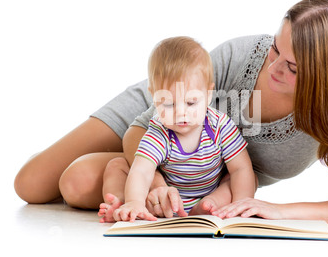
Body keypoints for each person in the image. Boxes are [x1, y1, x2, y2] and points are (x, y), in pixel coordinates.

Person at [14, 0, 328, 224]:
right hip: (156, 116)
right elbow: (144, 125)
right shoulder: (242, 57)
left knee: (79, 185)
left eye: (293, 67)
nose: (274, 68)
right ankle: (81, 160)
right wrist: (156, 183)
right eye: (275, 50)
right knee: (30, 185)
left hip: (206, 179)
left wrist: (284, 211)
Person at [97, 36, 255, 222]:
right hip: (166, 202)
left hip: (211, 193)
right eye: (169, 104)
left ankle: (209, 205)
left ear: (208, 94)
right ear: (154, 98)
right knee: (118, 166)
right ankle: (124, 204)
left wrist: (241, 203)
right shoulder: (159, 131)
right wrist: (136, 201)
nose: (181, 113)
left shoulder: (220, 125)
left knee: (234, 180)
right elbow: (141, 171)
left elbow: (240, 168)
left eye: (191, 102)